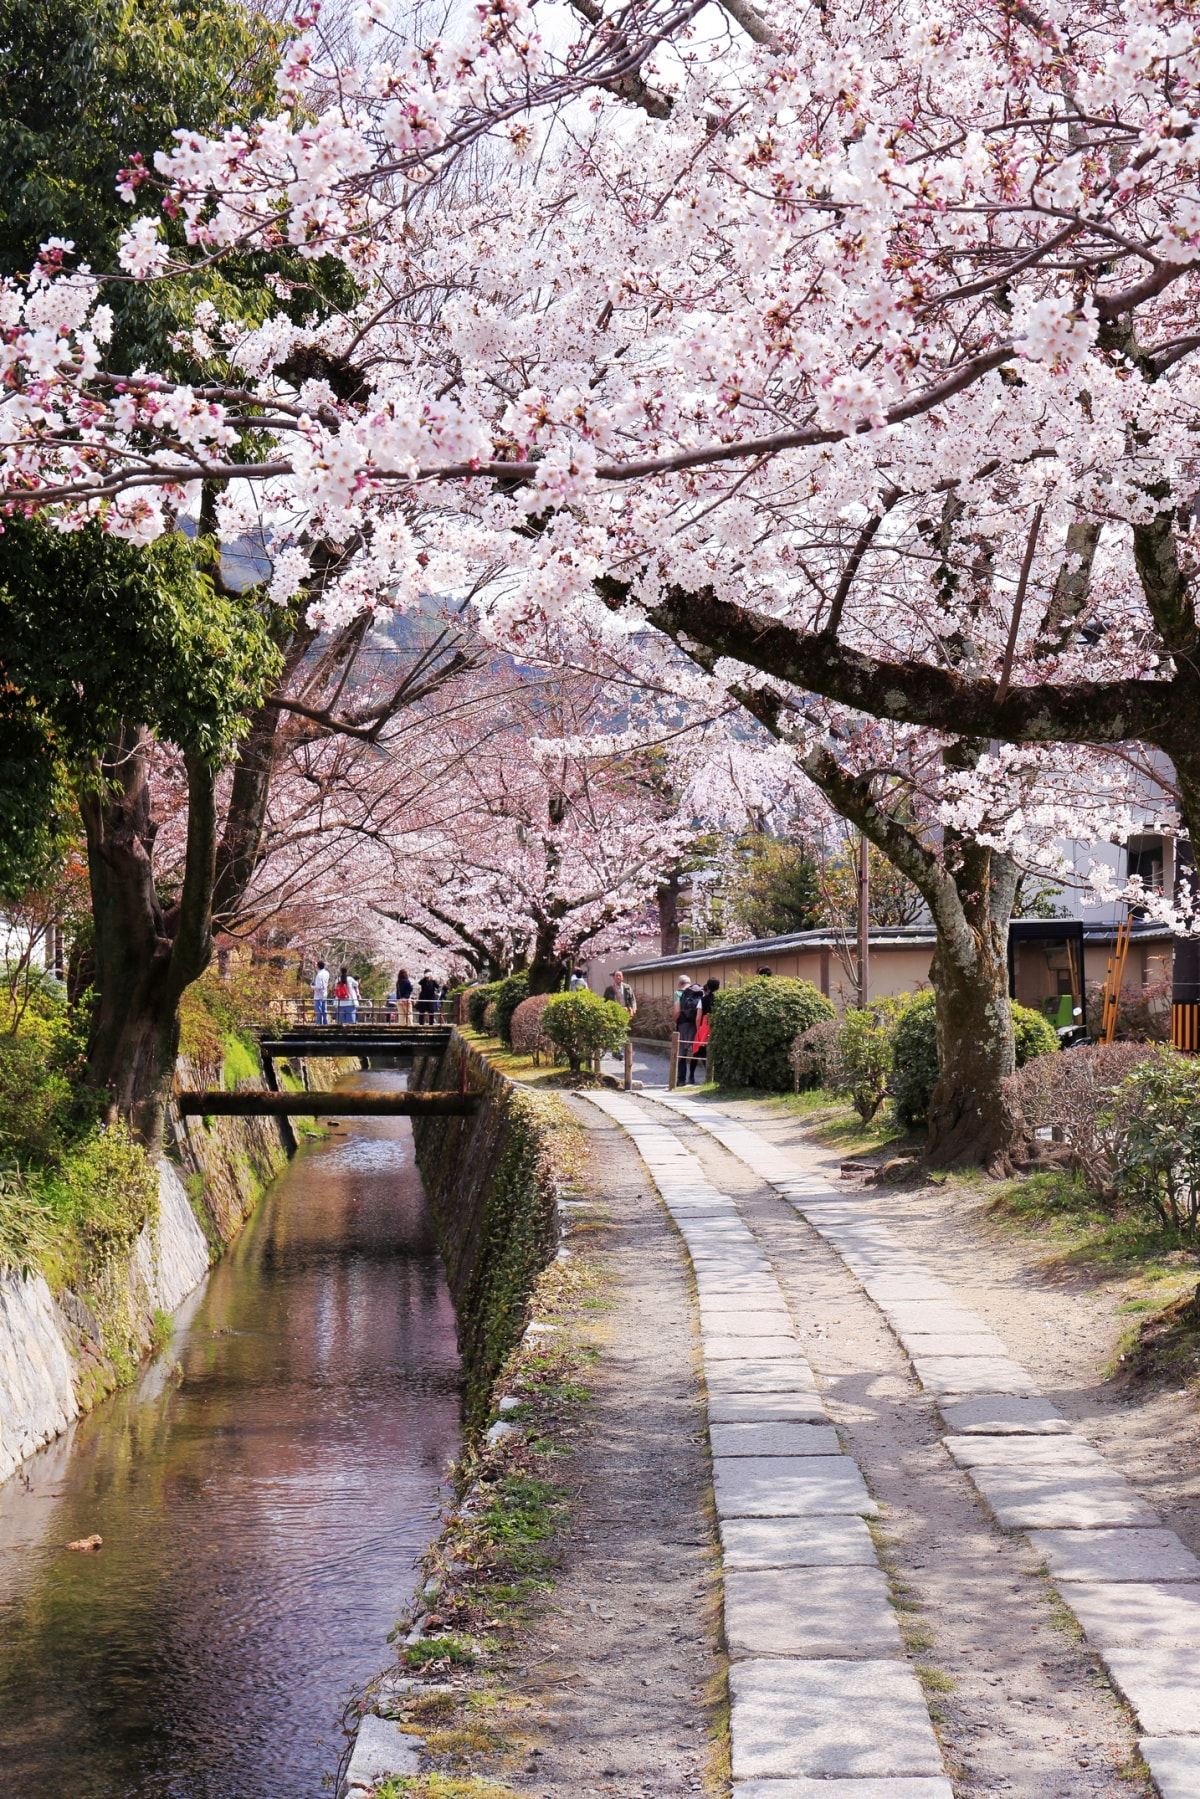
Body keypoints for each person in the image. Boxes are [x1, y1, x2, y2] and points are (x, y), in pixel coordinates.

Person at [673, 972, 705, 1085]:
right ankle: (694, 1077)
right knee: (697, 1051)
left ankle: (681, 1080)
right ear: (689, 983)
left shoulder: (678, 993)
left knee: (682, 1052)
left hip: (683, 1025)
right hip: (696, 1024)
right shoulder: (698, 992)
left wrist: (675, 1020)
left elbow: (677, 1011)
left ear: (679, 984)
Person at [691, 978, 719, 1082]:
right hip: (717, 1027)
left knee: (697, 1050)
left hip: (705, 1026)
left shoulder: (703, 1000)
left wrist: (699, 1029)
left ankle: (692, 1076)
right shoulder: (722, 999)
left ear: (707, 987)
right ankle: (715, 1076)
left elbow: (698, 1018)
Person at [312, 958, 330, 1025]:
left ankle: (319, 1024)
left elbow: (319, 987)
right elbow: (319, 971)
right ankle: (326, 1023)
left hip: (318, 995)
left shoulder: (319, 975)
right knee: (324, 1010)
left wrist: (312, 987)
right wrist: (314, 966)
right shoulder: (326, 973)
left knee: (318, 1011)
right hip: (324, 994)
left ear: (318, 966)